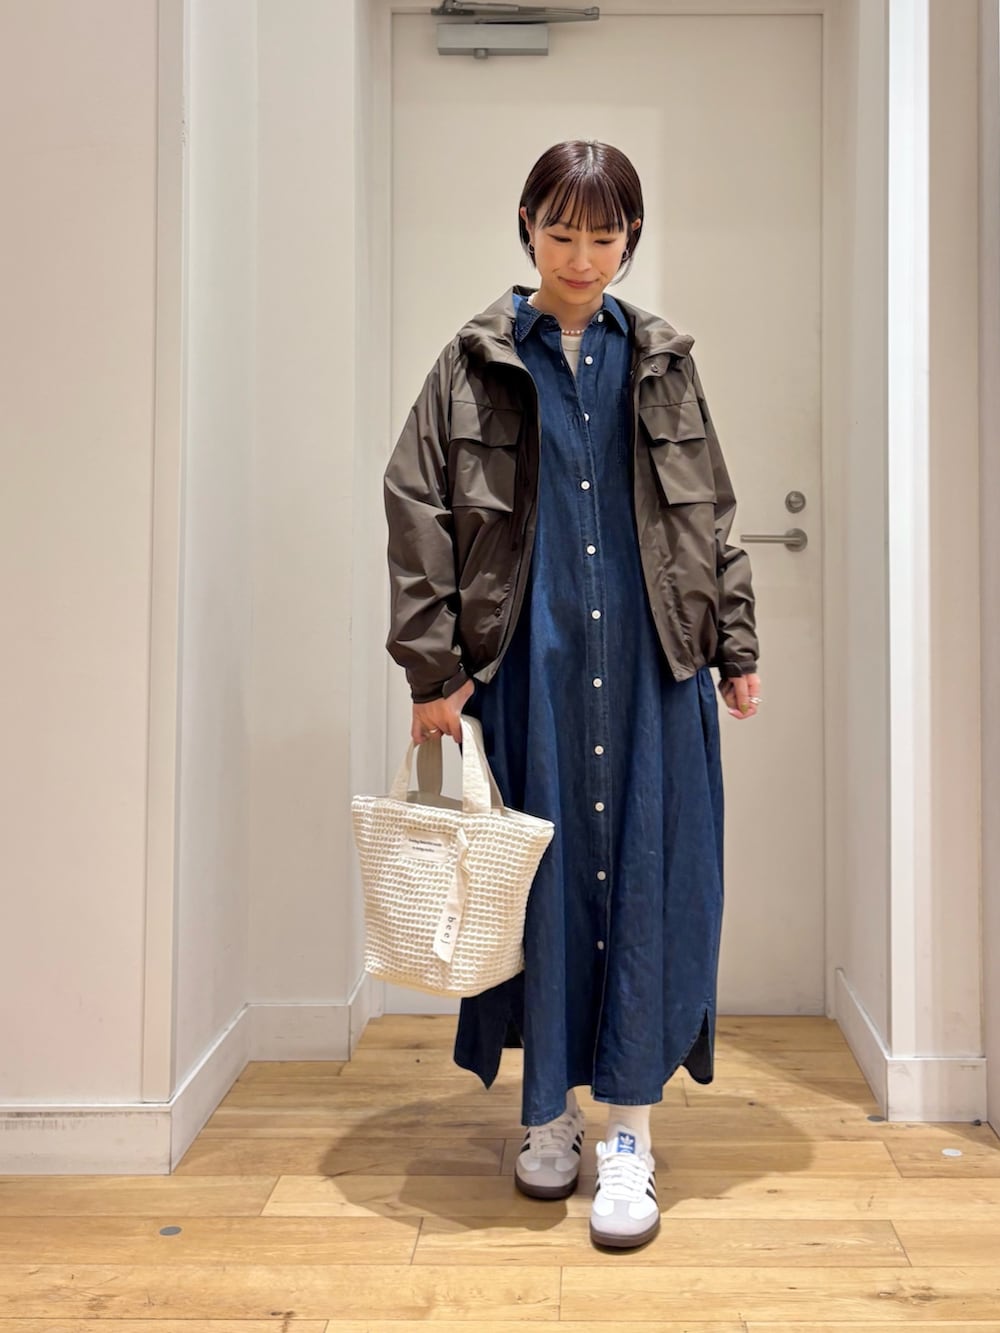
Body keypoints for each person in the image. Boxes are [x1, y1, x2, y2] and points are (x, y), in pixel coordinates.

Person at [383, 139, 761, 1250]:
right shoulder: (473, 363)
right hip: (528, 672)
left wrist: (735, 644)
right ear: (526, 227)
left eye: (604, 235)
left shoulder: (664, 361)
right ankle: (545, 1114)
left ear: (630, 238)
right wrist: (433, 668)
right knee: (533, 893)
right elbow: (417, 508)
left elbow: (712, 514)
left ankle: (630, 1133)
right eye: (561, 232)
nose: (582, 257)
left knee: (651, 885)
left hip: (652, 670)